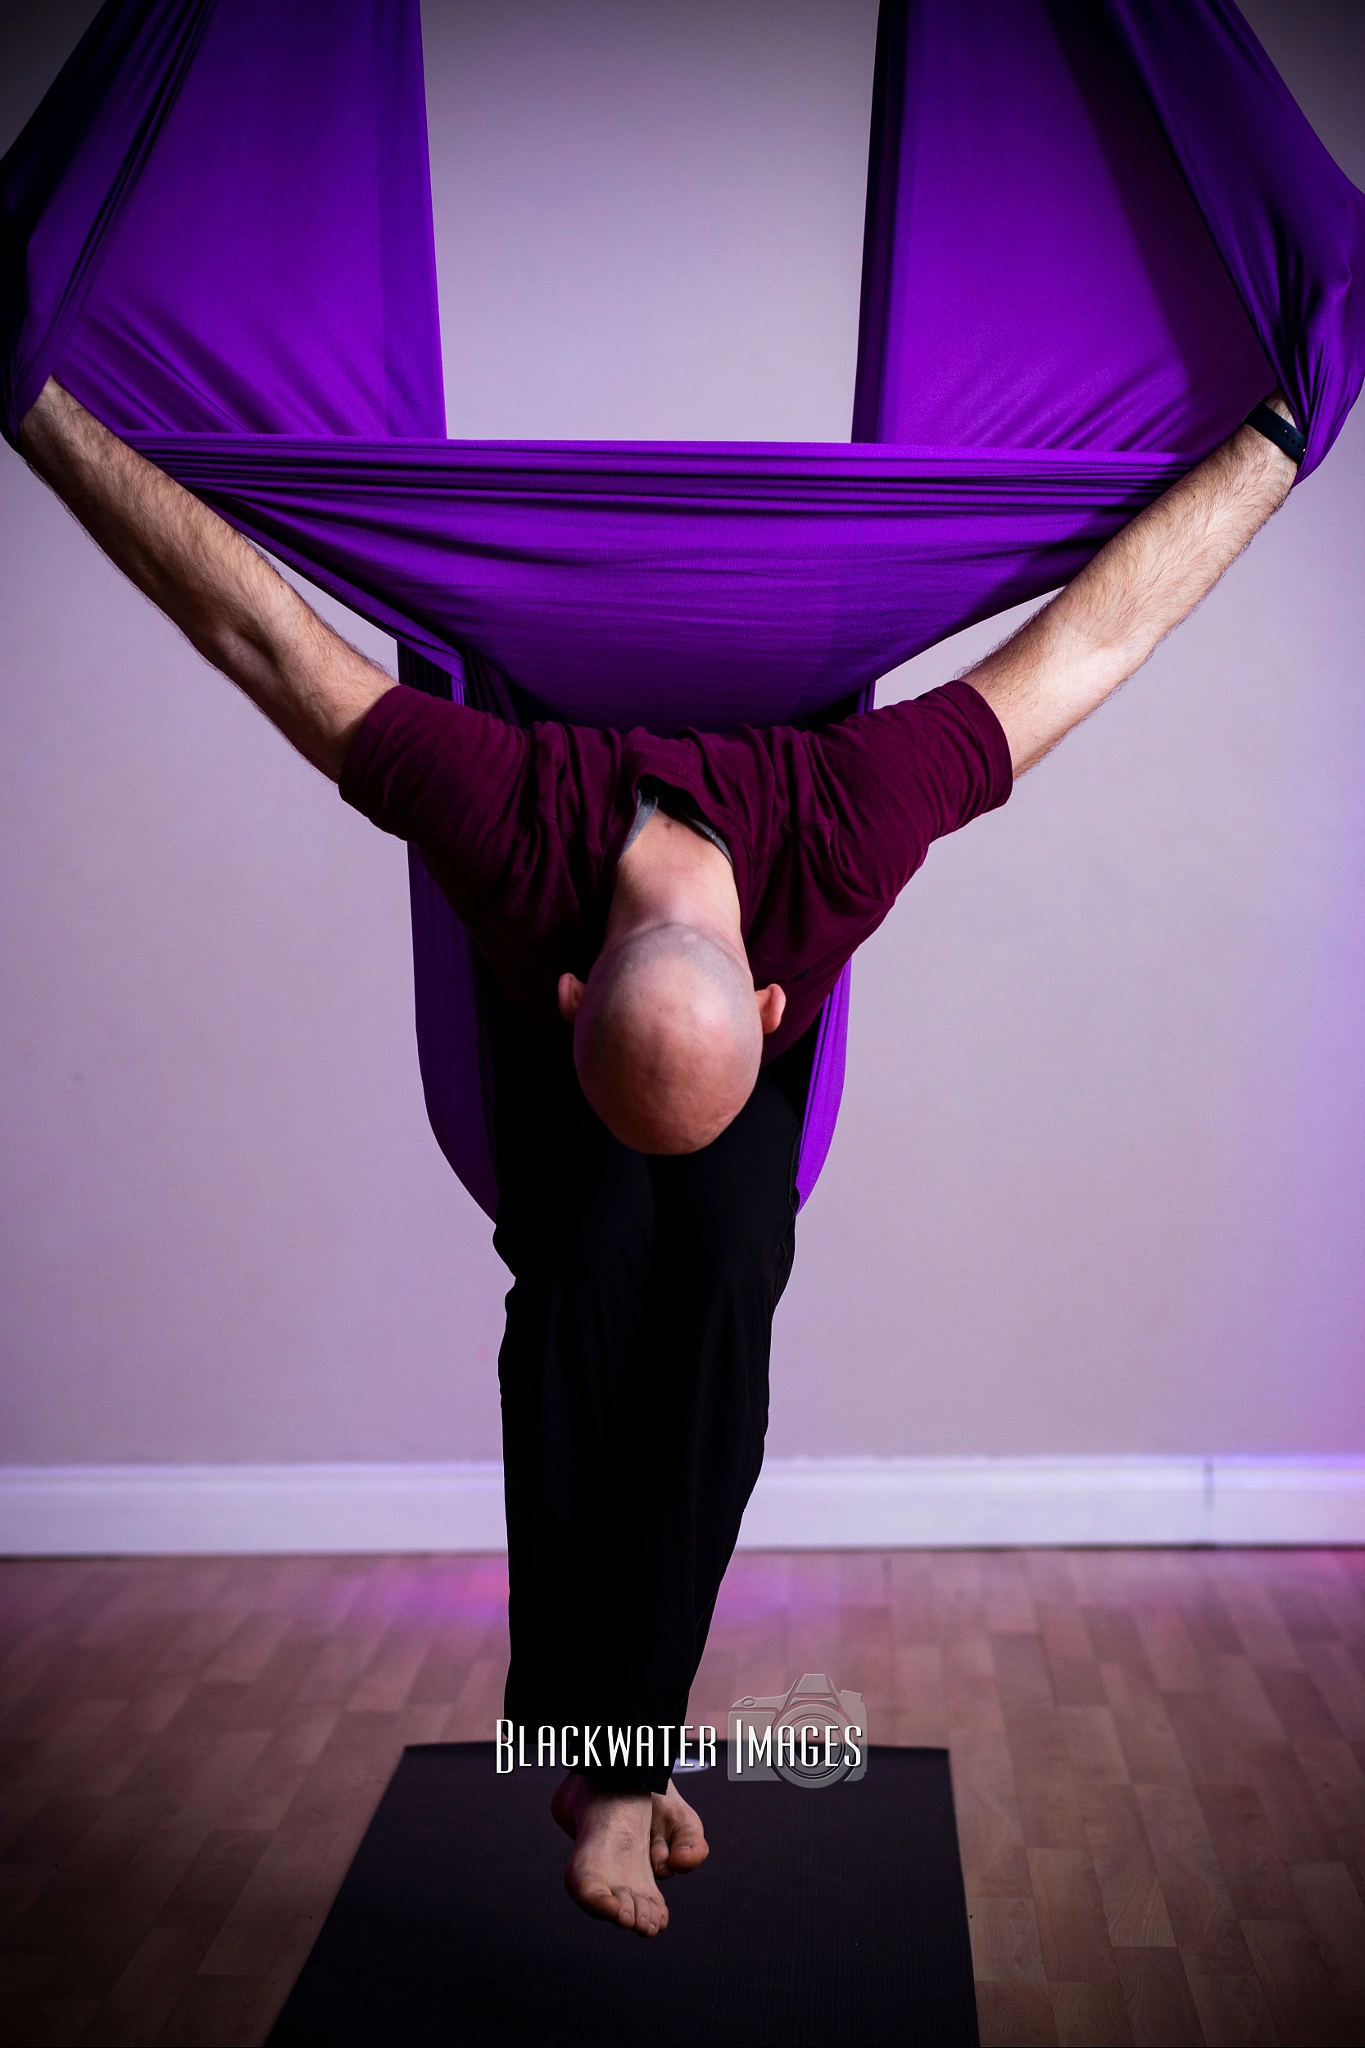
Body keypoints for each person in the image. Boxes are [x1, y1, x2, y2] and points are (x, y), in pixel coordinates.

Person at [17, 377, 1300, 1936]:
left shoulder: (848, 821)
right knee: (587, 1270)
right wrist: (38, 410)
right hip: (603, 1030)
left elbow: (1093, 638)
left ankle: (604, 1754)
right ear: (566, 1002)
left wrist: (1277, 442)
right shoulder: (498, 815)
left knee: (724, 1279)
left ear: (780, 1010)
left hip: (702, 1015)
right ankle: (611, 1757)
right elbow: (258, 632)